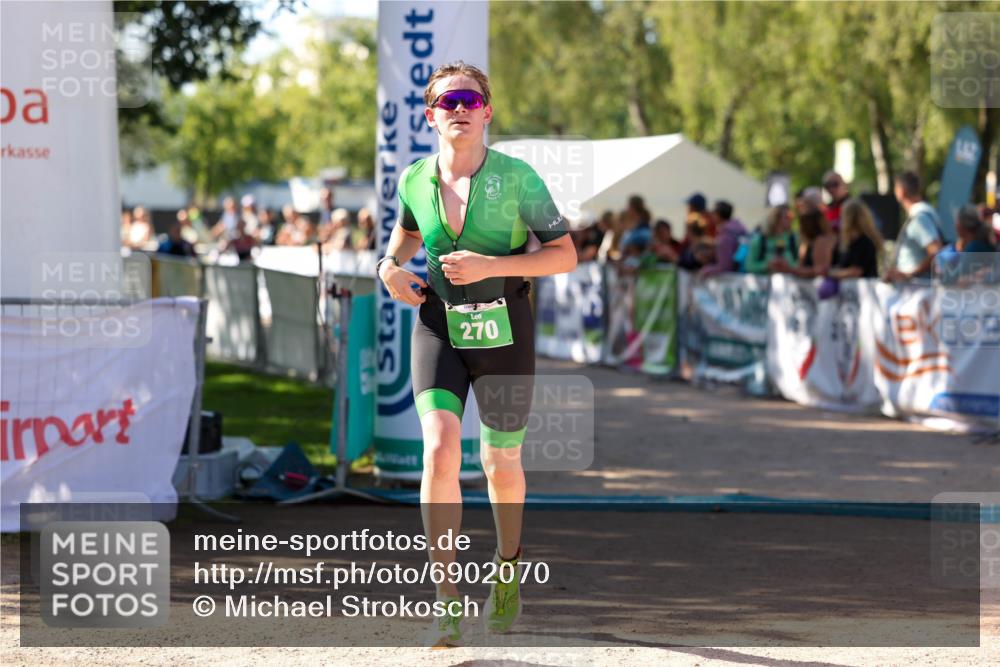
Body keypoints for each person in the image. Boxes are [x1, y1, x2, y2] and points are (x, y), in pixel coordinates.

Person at [376, 60, 576, 647]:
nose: (458, 109)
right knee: (438, 450)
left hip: (505, 329)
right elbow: (406, 233)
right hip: (438, 325)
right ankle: (446, 598)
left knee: (499, 463)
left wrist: (497, 265)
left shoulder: (517, 179)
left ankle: (507, 564)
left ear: (487, 111)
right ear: (430, 115)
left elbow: (564, 254)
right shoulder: (415, 178)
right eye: (446, 101)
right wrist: (388, 267)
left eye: (469, 99)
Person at [886, 170, 943, 282]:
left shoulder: (920, 218)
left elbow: (936, 251)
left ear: (900, 191)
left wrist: (909, 274)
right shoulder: (922, 215)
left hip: (918, 290)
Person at [771, 208, 836, 278]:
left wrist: (789, 269)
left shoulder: (821, 241)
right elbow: (801, 267)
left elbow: (819, 270)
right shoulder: (805, 243)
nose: (799, 227)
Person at [828, 198, 883, 279]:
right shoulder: (845, 242)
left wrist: (832, 274)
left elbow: (856, 271)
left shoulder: (865, 242)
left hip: (864, 288)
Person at [743, 205, 797, 275]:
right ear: (776, 218)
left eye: (792, 216)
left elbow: (799, 263)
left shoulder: (793, 239)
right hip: (763, 283)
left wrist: (788, 267)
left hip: (790, 282)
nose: (791, 219)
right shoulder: (759, 240)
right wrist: (767, 265)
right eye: (787, 217)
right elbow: (749, 266)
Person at [699, 200, 747, 276]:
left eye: (713, 213)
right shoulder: (736, 230)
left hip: (733, 281)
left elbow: (725, 267)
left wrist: (706, 270)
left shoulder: (726, 236)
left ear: (718, 215)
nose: (712, 216)